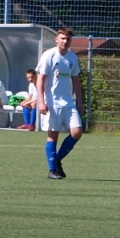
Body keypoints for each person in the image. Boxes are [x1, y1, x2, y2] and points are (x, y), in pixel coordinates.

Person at [37, 27, 85, 178]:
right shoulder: (49, 55)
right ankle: (52, 170)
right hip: (52, 102)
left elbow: (75, 80)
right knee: (53, 135)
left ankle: (56, 160)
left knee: (77, 132)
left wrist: (80, 101)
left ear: (71, 40)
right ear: (56, 39)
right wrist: (41, 101)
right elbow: (40, 79)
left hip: (68, 102)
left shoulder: (72, 58)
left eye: (68, 39)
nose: (65, 41)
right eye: (62, 38)